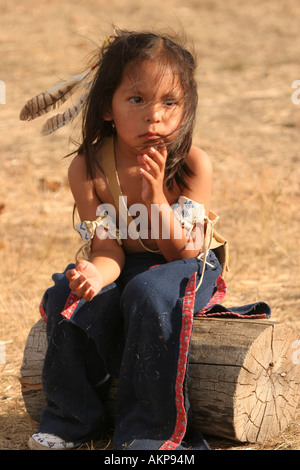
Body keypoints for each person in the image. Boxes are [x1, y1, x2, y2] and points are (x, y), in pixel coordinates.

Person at [21, 29, 270, 450]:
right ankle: (71, 418)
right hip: (125, 263)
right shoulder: (89, 168)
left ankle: (151, 433)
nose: (154, 116)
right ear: (106, 107)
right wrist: (94, 278)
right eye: (137, 100)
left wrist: (156, 196)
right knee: (67, 292)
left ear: (185, 108)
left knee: (149, 291)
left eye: (169, 102)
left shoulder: (191, 163)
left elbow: (183, 251)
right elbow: (107, 249)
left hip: (188, 263)